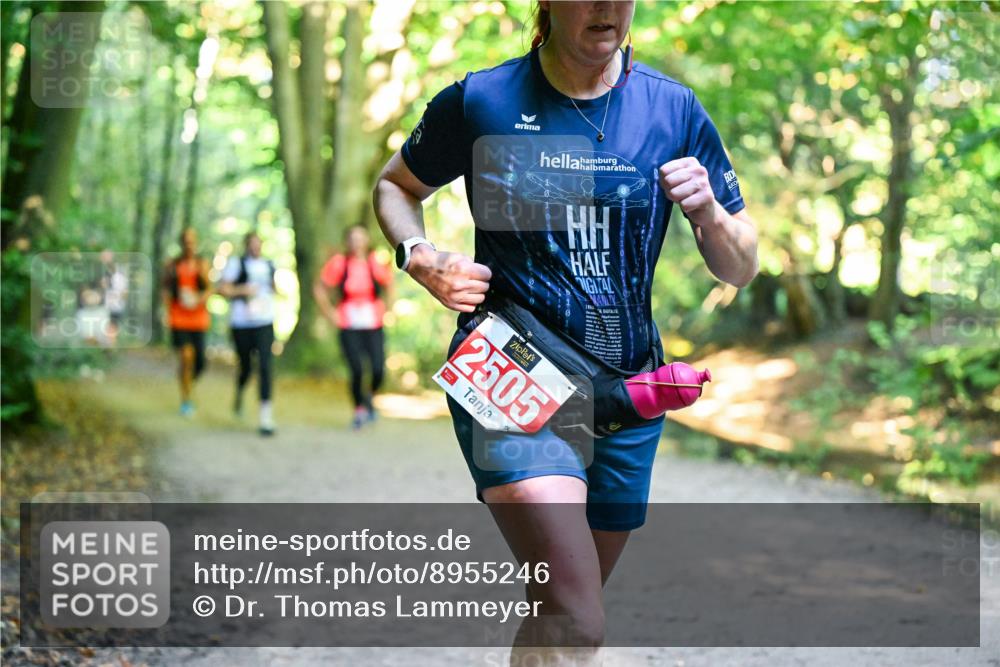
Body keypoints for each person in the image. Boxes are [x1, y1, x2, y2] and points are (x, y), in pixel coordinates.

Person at [373, 1, 759, 663]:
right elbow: (394, 187)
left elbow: (741, 265)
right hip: (508, 369)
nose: (609, 7)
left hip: (629, 390)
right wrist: (420, 257)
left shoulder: (673, 110)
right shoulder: (481, 100)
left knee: (560, 612)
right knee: (578, 614)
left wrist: (709, 218)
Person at [314, 225, 393, 430]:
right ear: (347, 241)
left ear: (367, 240)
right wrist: (330, 312)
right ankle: (359, 409)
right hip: (348, 322)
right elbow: (320, 288)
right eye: (353, 238)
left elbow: (389, 284)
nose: (357, 242)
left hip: (373, 321)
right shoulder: (339, 263)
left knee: (377, 368)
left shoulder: (374, 262)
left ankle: (369, 396)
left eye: (361, 237)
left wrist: (389, 309)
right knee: (356, 368)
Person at [218, 231, 278, 436]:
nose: (255, 247)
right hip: (242, 323)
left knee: (265, 365)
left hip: (265, 322)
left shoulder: (270, 265)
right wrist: (242, 291)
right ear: (246, 245)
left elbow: (274, 289)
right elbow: (223, 289)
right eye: (251, 243)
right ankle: (240, 390)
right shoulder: (236, 264)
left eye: (258, 243)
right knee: (246, 366)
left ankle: (266, 417)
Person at [162, 227, 212, 417]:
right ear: (181, 243)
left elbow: (209, 289)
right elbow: (165, 289)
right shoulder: (172, 265)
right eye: (186, 241)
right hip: (178, 317)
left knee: (200, 363)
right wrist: (166, 307)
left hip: (198, 319)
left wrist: (197, 299)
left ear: (196, 243)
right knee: (186, 356)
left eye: (192, 241)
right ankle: (186, 399)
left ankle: (188, 382)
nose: (189, 245)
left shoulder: (202, 264)